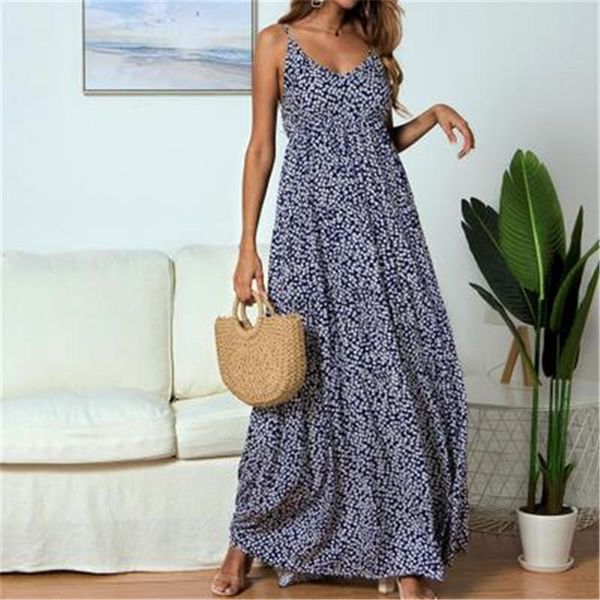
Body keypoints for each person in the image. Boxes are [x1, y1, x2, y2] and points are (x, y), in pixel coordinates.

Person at [211, 0, 475, 598]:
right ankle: (245, 540)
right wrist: (247, 246)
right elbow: (260, 149)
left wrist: (431, 115)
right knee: (296, 386)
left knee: (394, 384)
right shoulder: (277, 42)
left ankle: (406, 558)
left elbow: (376, 145)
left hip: (387, 235)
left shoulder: (372, 44)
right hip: (310, 235)